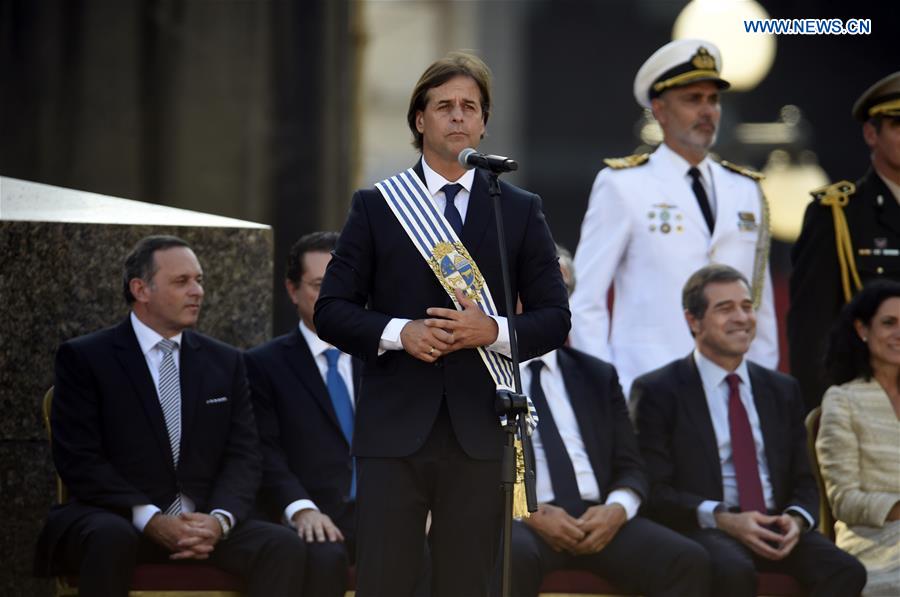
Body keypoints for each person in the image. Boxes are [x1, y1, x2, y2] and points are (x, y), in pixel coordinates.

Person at [314, 51, 570, 597]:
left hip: (482, 430)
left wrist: (493, 330)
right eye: (444, 106)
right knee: (387, 582)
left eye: (469, 107)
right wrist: (398, 333)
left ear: (483, 122)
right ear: (419, 120)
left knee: (469, 584)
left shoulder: (518, 209)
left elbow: (554, 319)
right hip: (394, 434)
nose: (458, 117)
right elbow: (331, 309)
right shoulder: (378, 206)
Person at [33, 236, 305, 597]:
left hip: (203, 523)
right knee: (108, 537)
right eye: (182, 281)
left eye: (200, 280)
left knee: (282, 545)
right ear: (140, 289)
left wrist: (219, 521)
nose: (197, 291)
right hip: (120, 518)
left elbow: (244, 455)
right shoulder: (85, 359)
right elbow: (79, 459)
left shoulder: (225, 362)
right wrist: (150, 518)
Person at [632, 264, 866, 597]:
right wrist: (723, 518)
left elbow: (804, 479)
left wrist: (796, 520)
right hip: (706, 527)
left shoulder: (782, 389)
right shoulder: (658, 390)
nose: (742, 317)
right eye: (725, 308)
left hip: (776, 524)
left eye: (746, 306)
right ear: (693, 321)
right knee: (732, 571)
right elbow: (655, 489)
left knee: (845, 571)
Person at [569, 38, 778, 396]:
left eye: (713, 100)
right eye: (692, 99)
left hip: (732, 388)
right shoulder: (624, 185)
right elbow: (586, 300)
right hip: (648, 385)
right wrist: (610, 388)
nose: (707, 111)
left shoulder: (745, 189)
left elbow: (762, 304)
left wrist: (760, 388)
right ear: (659, 110)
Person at [508, 245, 710, 597]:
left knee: (686, 559)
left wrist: (617, 509)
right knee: (511, 555)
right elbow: (464, 465)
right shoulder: (482, 375)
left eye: (559, 292)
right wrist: (528, 512)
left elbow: (631, 465)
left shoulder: (596, 375)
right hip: (525, 519)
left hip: (599, 517)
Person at [244, 232, 360, 597]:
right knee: (323, 558)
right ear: (293, 291)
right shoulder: (262, 365)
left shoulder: (383, 357)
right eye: (320, 284)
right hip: (310, 511)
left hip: (383, 509)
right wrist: (300, 509)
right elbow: (264, 451)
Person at [788, 71, 900, 413]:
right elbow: (812, 334)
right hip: (868, 407)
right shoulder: (837, 214)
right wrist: (821, 423)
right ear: (871, 133)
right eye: (898, 124)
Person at [816, 280, 900, 596]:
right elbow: (844, 500)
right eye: (888, 323)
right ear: (862, 329)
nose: (898, 333)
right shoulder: (842, 400)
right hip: (873, 541)